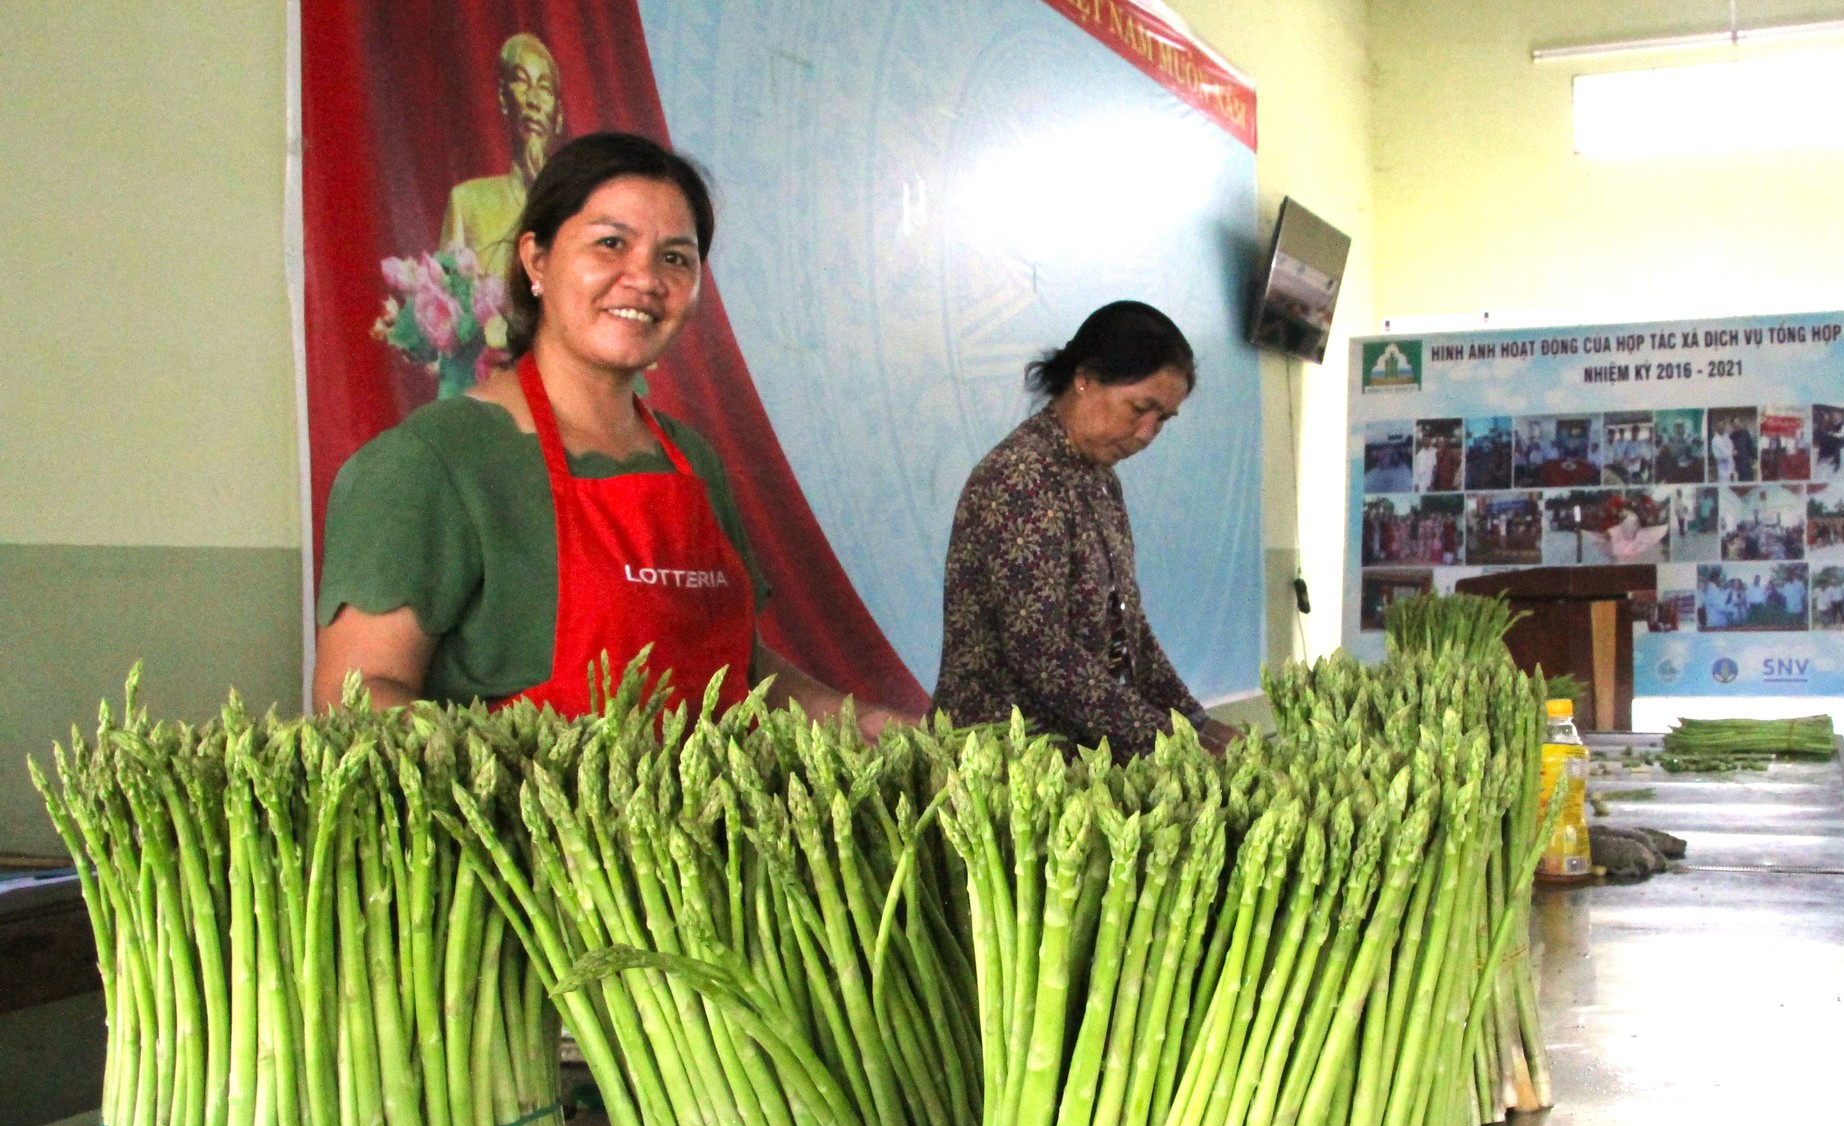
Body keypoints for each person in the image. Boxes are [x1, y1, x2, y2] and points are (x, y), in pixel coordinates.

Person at [316, 131, 909, 738]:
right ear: (535, 260)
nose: (645, 278)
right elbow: (355, 693)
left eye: (675, 258)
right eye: (610, 244)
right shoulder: (432, 461)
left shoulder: (691, 461)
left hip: (701, 829)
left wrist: (863, 723)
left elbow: (740, 669)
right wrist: (537, 789)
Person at [932, 301, 1243, 760]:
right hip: (1006, 763)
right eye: (1140, 408)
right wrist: (1172, 742)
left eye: (1162, 420)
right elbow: (1040, 651)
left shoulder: (1098, 478)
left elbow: (1129, 627)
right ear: (1086, 378)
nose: (1145, 433)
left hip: (1079, 756)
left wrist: (1197, 722)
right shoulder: (1023, 475)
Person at [441, 34, 566, 280]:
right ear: (504, 100)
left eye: (544, 88)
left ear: (559, 117)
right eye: (522, 82)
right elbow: (452, 302)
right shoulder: (467, 203)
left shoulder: (577, 211)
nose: (534, 101)